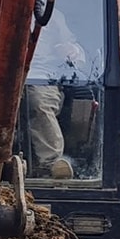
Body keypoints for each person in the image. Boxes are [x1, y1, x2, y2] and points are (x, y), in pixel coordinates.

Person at [25, 24, 89, 180]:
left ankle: (51, 163)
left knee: (39, 102)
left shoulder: (53, 17)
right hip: (1, 72)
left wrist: (72, 51)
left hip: (42, 76)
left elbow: (76, 51)